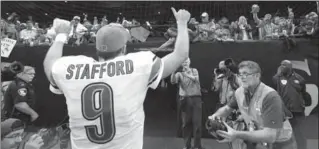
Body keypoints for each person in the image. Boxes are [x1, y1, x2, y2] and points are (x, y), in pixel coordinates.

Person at [43, 7, 190, 149]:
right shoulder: (138, 64)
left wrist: (61, 35)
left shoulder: (70, 67)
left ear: (97, 48)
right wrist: (182, 24)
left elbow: (50, 65)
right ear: (124, 48)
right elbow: (180, 54)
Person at [208, 61, 297, 149]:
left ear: (257, 75)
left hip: (281, 143)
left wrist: (236, 134)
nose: (242, 77)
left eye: (246, 74)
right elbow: (227, 108)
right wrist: (216, 115)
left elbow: (271, 135)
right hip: (259, 140)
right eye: (240, 74)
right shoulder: (239, 92)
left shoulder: (270, 96)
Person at [273, 60, 308, 149]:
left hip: (297, 111)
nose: (282, 66)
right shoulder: (277, 78)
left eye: (284, 65)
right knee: (280, 134)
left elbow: (303, 93)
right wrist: (278, 74)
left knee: (300, 133)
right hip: (283, 112)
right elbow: (274, 89)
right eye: (281, 65)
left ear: (290, 67)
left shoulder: (300, 79)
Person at [171, 58, 203, 149]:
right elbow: (173, 81)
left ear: (189, 62)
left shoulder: (194, 70)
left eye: (186, 60)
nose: (185, 62)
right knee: (186, 124)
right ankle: (186, 146)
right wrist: (173, 71)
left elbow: (196, 80)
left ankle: (197, 146)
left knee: (197, 124)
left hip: (196, 99)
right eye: (183, 61)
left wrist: (187, 74)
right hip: (184, 100)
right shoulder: (179, 74)